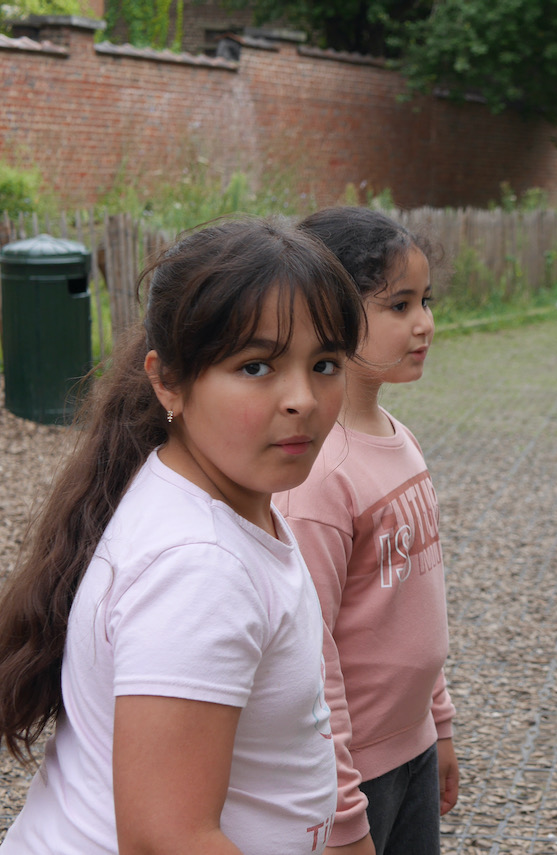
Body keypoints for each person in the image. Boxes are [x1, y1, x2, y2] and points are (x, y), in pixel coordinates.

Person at [0, 217, 364, 853]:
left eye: (325, 363)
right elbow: (166, 840)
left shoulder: (221, 501)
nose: (303, 399)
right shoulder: (201, 567)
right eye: (256, 366)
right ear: (167, 380)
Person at [277, 207, 457, 855]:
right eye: (399, 305)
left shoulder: (400, 438)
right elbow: (310, 653)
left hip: (413, 746)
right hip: (354, 768)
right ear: (330, 313)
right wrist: (341, 798)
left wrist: (438, 724)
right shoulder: (317, 476)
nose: (424, 323)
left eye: (426, 301)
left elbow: (415, 605)